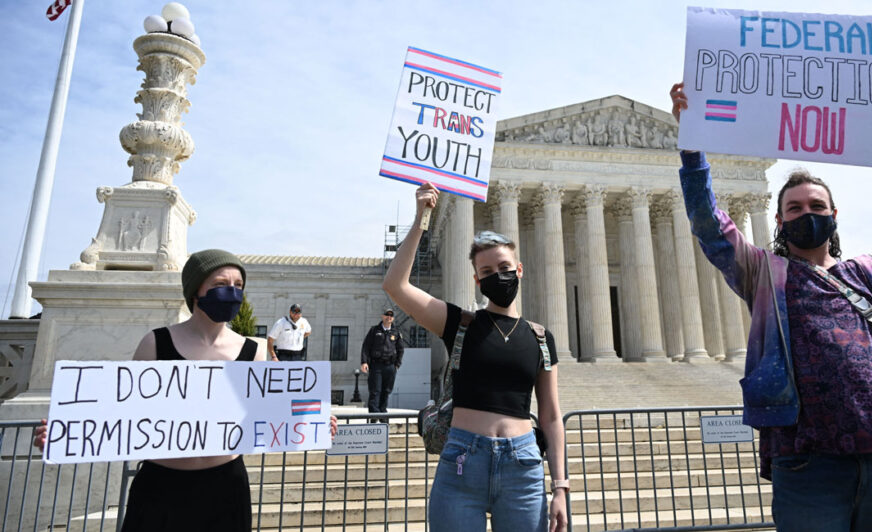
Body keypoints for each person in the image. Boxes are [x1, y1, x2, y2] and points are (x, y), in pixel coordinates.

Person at [669, 82, 872, 532]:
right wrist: (693, 147)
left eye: (816, 206)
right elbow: (709, 224)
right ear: (779, 220)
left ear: (834, 214)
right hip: (807, 464)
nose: (806, 213)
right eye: (794, 209)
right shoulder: (765, 274)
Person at [33, 249, 339, 531]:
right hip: (162, 487)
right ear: (196, 291)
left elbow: (273, 412)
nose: (231, 291)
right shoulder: (155, 343)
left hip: (226, 487)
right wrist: (64, 430)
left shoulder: (254, 351)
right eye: (221, 283)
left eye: (238, 284)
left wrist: (315, 421)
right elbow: (119, 411)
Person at [383, 183, 569, 532]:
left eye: (503, 266)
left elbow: (551, 416)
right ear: (477, 280)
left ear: (519, 269)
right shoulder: (460, 323)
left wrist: (560, 486)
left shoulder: (541, 337)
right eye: (486, 272)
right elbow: (396, 286)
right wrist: (421, 219)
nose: (496, 275)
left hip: (523, 466)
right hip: (462, 462)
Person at [360, 308, 405, 423]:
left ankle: (382, 413)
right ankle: (374, 415)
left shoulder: (396, 332)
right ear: (382, 316)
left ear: (393, 318)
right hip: (376, 365)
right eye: (386, 315)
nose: (388, 317)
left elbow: (400, 349)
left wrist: (397, 364)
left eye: (391, 315)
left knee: (386, 391)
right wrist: (364, 362)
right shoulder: (374, 330)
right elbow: (366, 347)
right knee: (375, 391)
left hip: (390, 366)